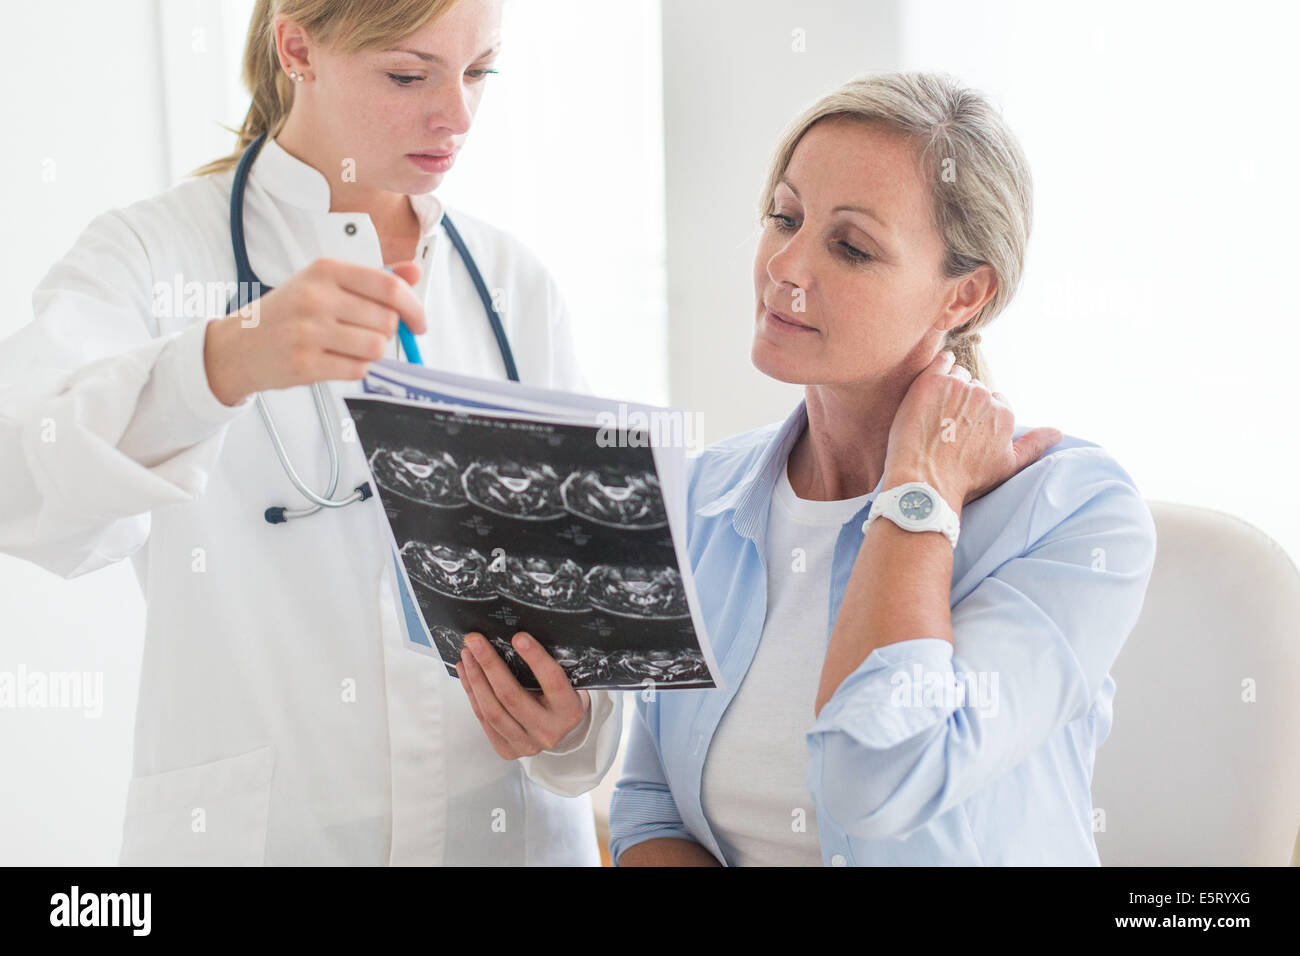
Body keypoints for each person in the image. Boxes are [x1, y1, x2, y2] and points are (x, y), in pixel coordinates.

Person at [0, 0, 621, 866]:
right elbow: (23, 476)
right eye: (409, 74)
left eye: (480, 71)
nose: (458, 115)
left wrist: (573, 720)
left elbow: (595, 598)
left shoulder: (513, 283)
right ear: (298, 45)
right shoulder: (152, 255)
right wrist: (215, 365)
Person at [608, 71, 1158, 866]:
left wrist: (920, 493)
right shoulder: (701, 498)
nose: (785, 268)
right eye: (784, 217)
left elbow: (880, 775)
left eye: (851, 247)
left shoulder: (1074, 515)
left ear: (963, 297)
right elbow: (650, 804)